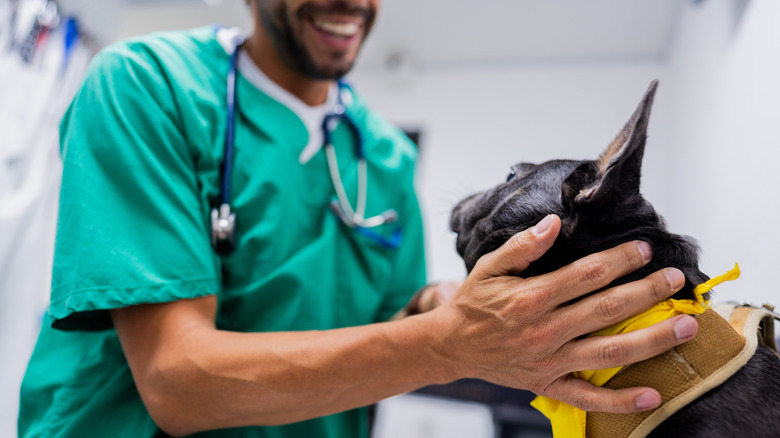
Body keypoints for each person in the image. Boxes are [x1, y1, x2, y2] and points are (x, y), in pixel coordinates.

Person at [18, 0, 698, 437]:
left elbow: (394, 309)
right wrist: (450, 342)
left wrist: (453, 304)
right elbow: (176, 381)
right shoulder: (146, 83)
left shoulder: (384, 153)